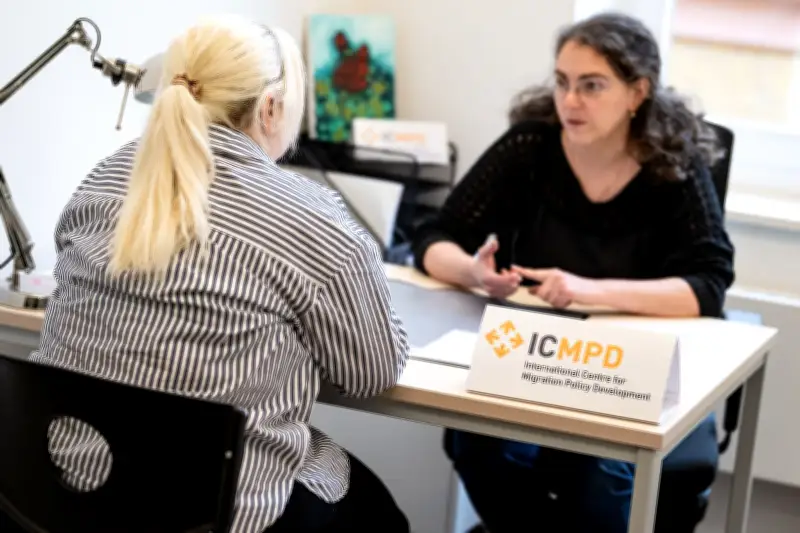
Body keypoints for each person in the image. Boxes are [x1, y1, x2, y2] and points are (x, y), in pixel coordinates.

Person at [9, 15, 410, 533]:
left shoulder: (103, 180)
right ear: (270, 107)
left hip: (59, 497)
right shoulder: (313, 219)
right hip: (206, 514)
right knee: (380, 515)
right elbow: (372, 373)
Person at [413, 12, 734, 533]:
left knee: (599, 471)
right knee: (475, 443)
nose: (570, 101)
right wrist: (473, 273)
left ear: (637, 93)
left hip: (630, 367)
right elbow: (434, 236)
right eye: (562, 82)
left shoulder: (673, 162)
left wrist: (588, 290)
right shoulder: (530, 146)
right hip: (532, 357)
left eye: (592, 86)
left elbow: (707, 287)